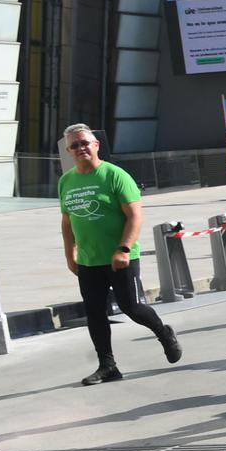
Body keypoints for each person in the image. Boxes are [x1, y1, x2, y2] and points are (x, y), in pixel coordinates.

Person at [58, 124, 181, 385]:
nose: (80, 148)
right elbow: (67, 222)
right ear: (69, 151)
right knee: (95, 313)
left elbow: (135, 216)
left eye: (84, 143)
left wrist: (123, 249)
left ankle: (163, 332)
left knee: (132, 308)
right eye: (74, 145)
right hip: (89, 261)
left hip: (120, 258)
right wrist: (70, 255)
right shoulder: (66, 181)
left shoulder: (115, 176)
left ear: (96, 145)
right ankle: (108, 366)